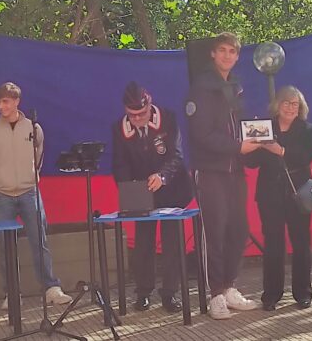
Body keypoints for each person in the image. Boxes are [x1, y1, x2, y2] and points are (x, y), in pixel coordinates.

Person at [185, 32, 261, 320]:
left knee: (238, 230)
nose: (228, 55)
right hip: (210, 170)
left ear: (237, 56)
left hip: (235, 170)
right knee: (214, 233)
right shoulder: (201, 87)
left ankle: (229, 286)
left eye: (232, 51)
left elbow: (238, 127)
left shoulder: (235, 87)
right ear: (213, 54)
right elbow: (201, 135)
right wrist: (238, 146)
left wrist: (256, 137)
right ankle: (215, 293)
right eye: (222, 50)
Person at [0, 82, 72, 309]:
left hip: (30, 192)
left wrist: (30, 179)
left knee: (40, 241)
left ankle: (51, 287)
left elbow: (38, 156)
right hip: (2, 196)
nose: (1, 106)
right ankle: (12, 293)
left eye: (6, 101)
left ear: (17, 102)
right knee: (6, 246)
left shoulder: (33, 128)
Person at [111, 82, 193, 313]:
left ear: (150, 106)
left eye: (142, 113)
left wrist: (162, 176)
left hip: (172, 187)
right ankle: (143, 293)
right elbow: (120, 164)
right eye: (132, 115)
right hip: (142, 191)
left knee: (172, 242)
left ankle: (170, 293)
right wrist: (130, 189)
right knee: (143, 243)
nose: (137, 119)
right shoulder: (118, 128)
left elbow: (176, 156)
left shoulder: (168, 118)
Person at [245, 86, 312, 311]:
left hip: (299, 191)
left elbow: (305, 157)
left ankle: (303, 293)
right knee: (273, 244)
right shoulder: (265, 127)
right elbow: (250, 162)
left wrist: (280, 150)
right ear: (278, 105)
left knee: (301, 242)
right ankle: (271, 295)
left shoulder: (308, 130)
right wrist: (253, 141)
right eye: (286, 102)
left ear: (301, 107)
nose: (290, 107)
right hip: (270, 193)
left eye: (295, 104)